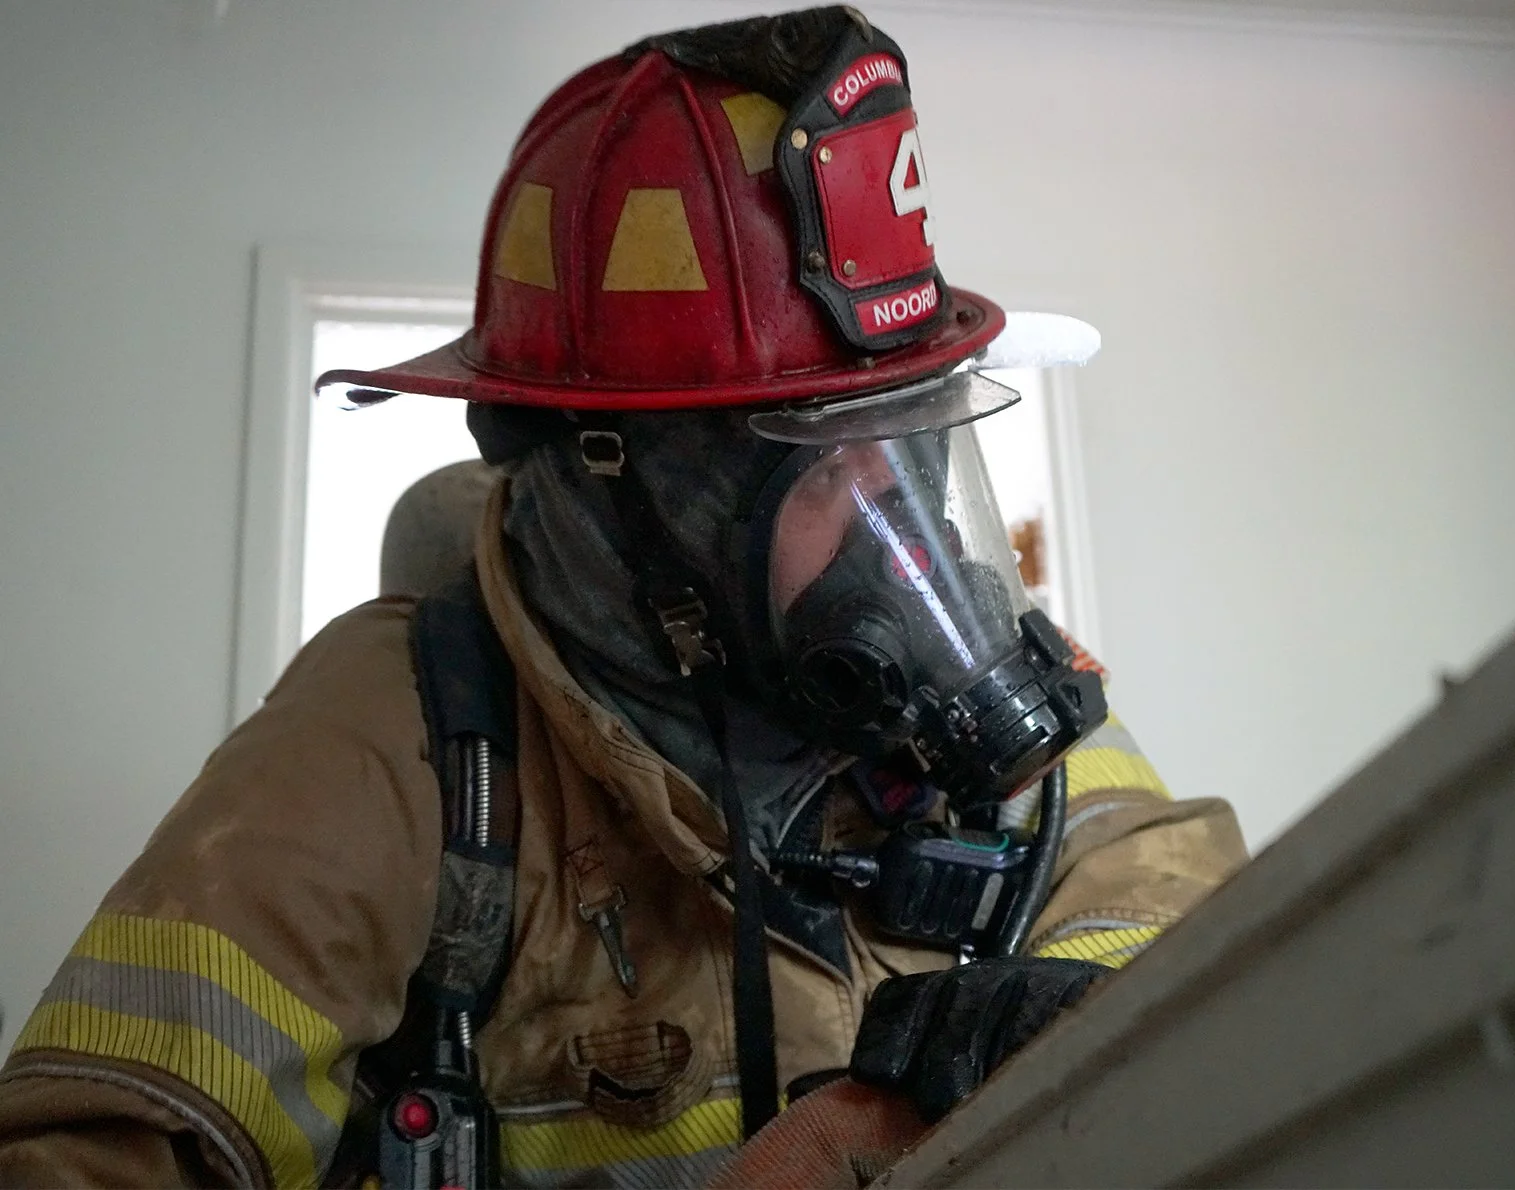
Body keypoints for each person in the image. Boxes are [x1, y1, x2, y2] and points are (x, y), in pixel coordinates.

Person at [0, 8, 1247, 1187]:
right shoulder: (399, 732)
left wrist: (1054, 1015)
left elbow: (1166, 894)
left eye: (911, 438)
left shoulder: (957, 690)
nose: (895, 518)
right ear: (636, 501)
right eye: (822, 453)